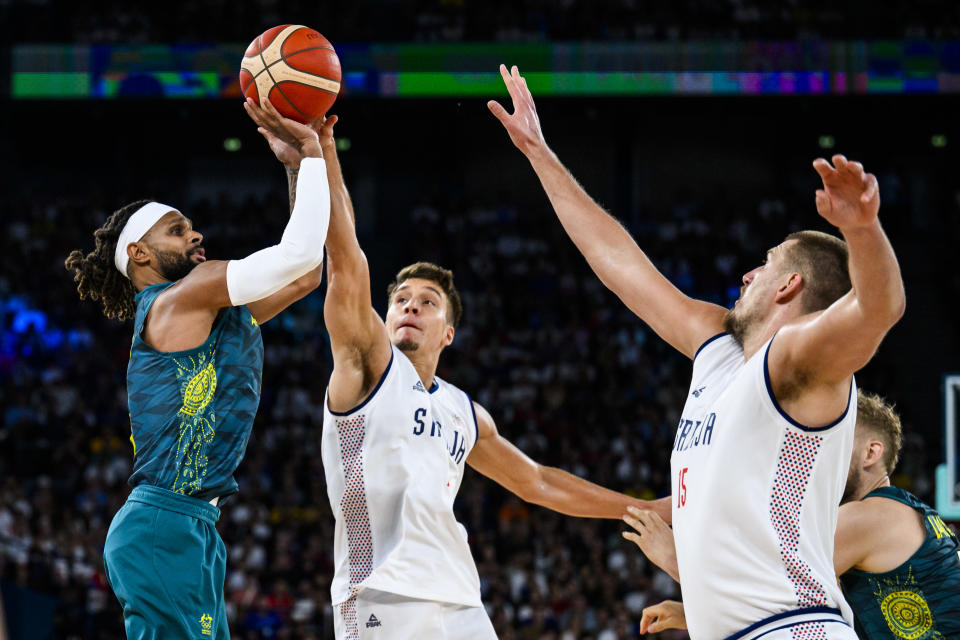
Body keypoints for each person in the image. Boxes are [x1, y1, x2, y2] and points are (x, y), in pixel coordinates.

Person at [489, 64, 906, 639]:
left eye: (765, 265)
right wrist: (539, 152)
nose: (747, 273)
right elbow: (620, 265)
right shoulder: (718, 346)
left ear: (789, 287)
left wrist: (864, 231)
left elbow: (880, 309)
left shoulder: (797, 359)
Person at [315, 116, 671, 640]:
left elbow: (539, 482)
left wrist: (638, 506)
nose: (410, 306)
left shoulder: (464, 410)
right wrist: (322, 149)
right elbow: (346, 263)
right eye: (400, 301)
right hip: (381, 596)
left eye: (427, 303)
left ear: (448, 334)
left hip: (460, 600)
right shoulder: (366, 368)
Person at [64, 98, 331, 640]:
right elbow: (298, 256)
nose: (195, 236)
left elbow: (306, 277)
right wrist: (311, 154)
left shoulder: (206, 307)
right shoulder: (179, 298)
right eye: (177, 230)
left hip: (192, 524)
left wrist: (295, 169)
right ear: (139, 253)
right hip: (164, 522)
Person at [625, 391, 960, 639]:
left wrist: (673, 558)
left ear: (872, 453)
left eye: (836, 440)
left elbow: (766, 592)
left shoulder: (868, 518)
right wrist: (693, 614)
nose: (819, 452)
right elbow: (796, 609)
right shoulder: (899, 510)